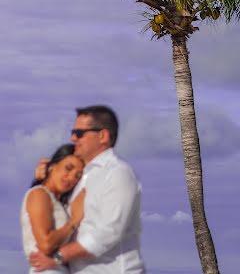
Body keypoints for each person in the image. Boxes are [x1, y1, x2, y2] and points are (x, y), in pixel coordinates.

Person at [30, 105, 146, 274]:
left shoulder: (118, 173)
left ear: (103, 136)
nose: (72, 138)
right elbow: (49, 211)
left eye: (79, 133)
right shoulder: (80, 176)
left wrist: (57, 258)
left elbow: (108, 232)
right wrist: (44, 180)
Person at [21, 143, 85, 273]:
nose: (71, 178)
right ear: (52, 166)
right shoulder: (39, 194)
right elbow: (46, 245)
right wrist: (73, 222)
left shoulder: (59, 203)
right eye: (68, 168)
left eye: (77, 176)